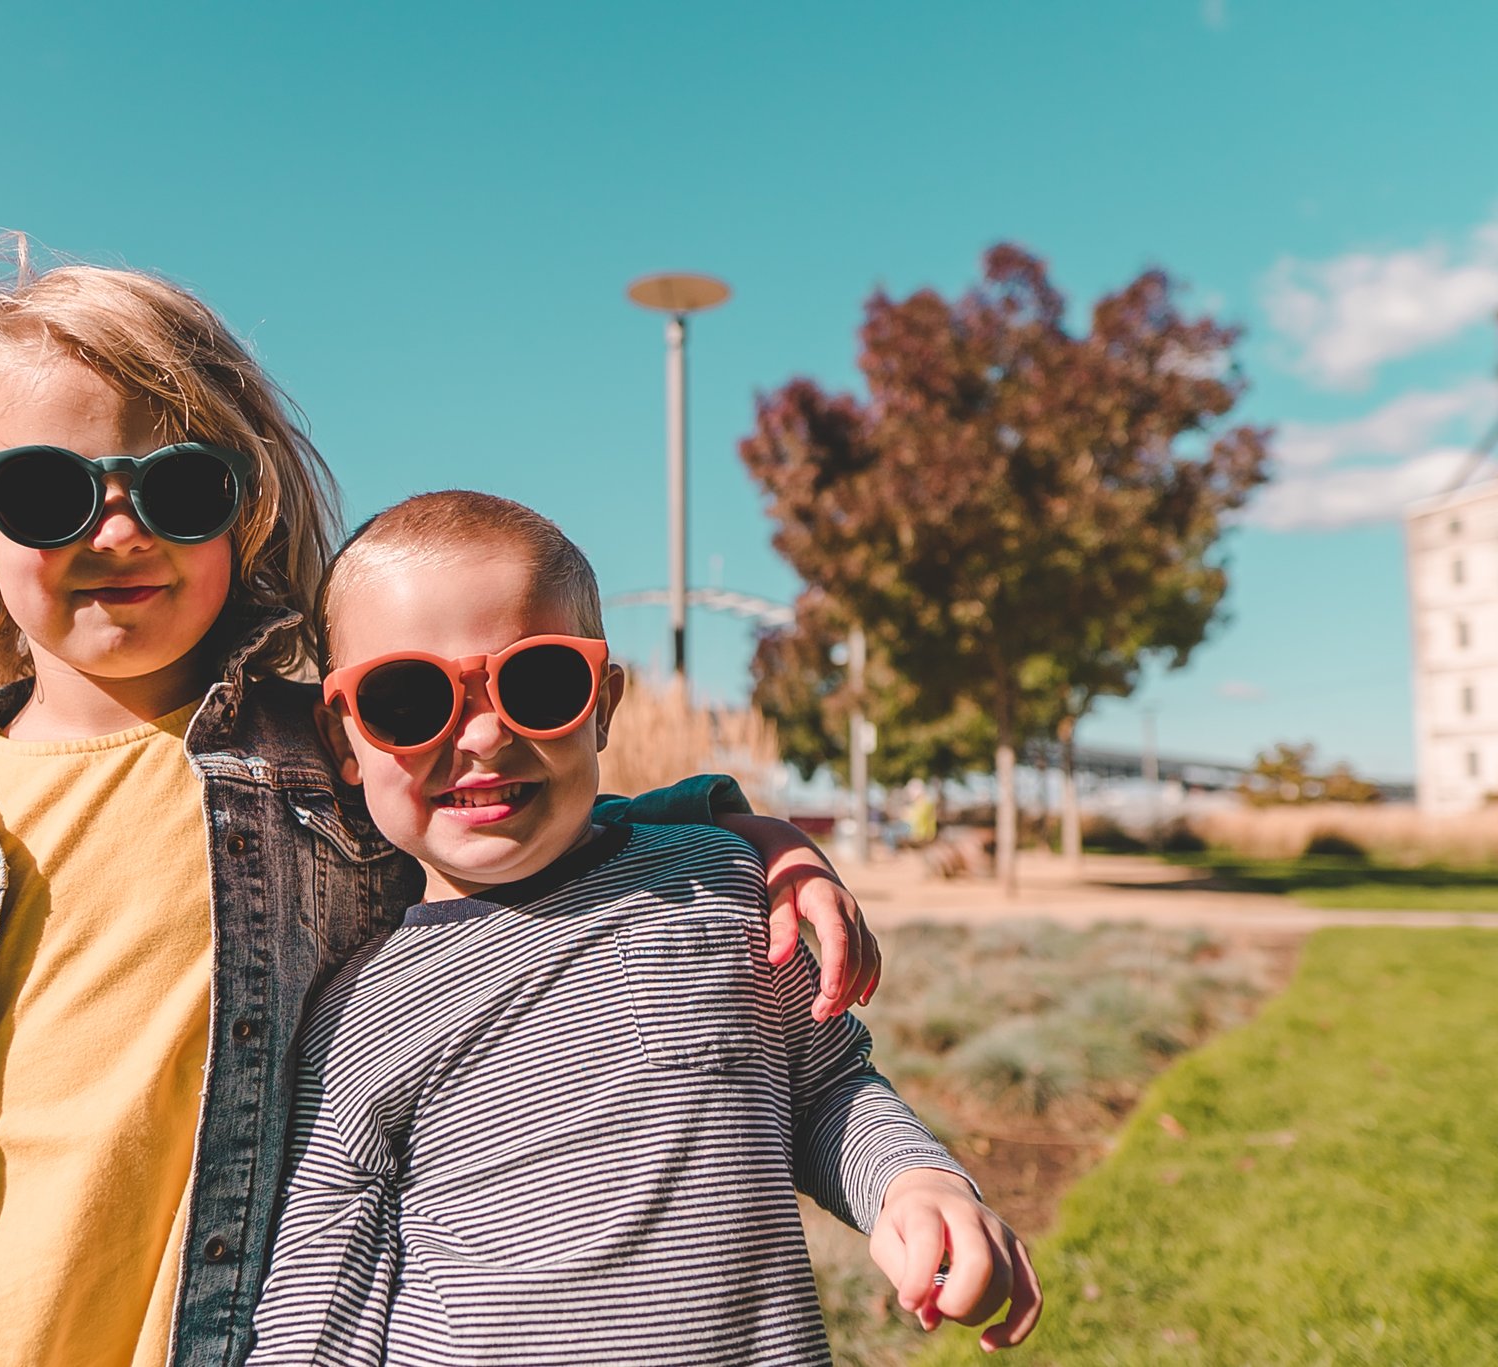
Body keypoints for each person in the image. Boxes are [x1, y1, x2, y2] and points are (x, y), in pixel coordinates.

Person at [0, 239, 887, 1367]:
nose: (117, 527)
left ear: (245, 502)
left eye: (177, 484)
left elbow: (530, 809)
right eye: (45, 490)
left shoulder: (335, 758)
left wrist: (747, 834)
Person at [249, 492, 1041, 1365]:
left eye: (537, 683)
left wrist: (915, 1182)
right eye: (407, 698)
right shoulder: (357, 1008)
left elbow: (825, 1089)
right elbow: (321, 1282)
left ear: (603, 703)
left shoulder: (719, 884)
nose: (482, 735)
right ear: (344, 736)